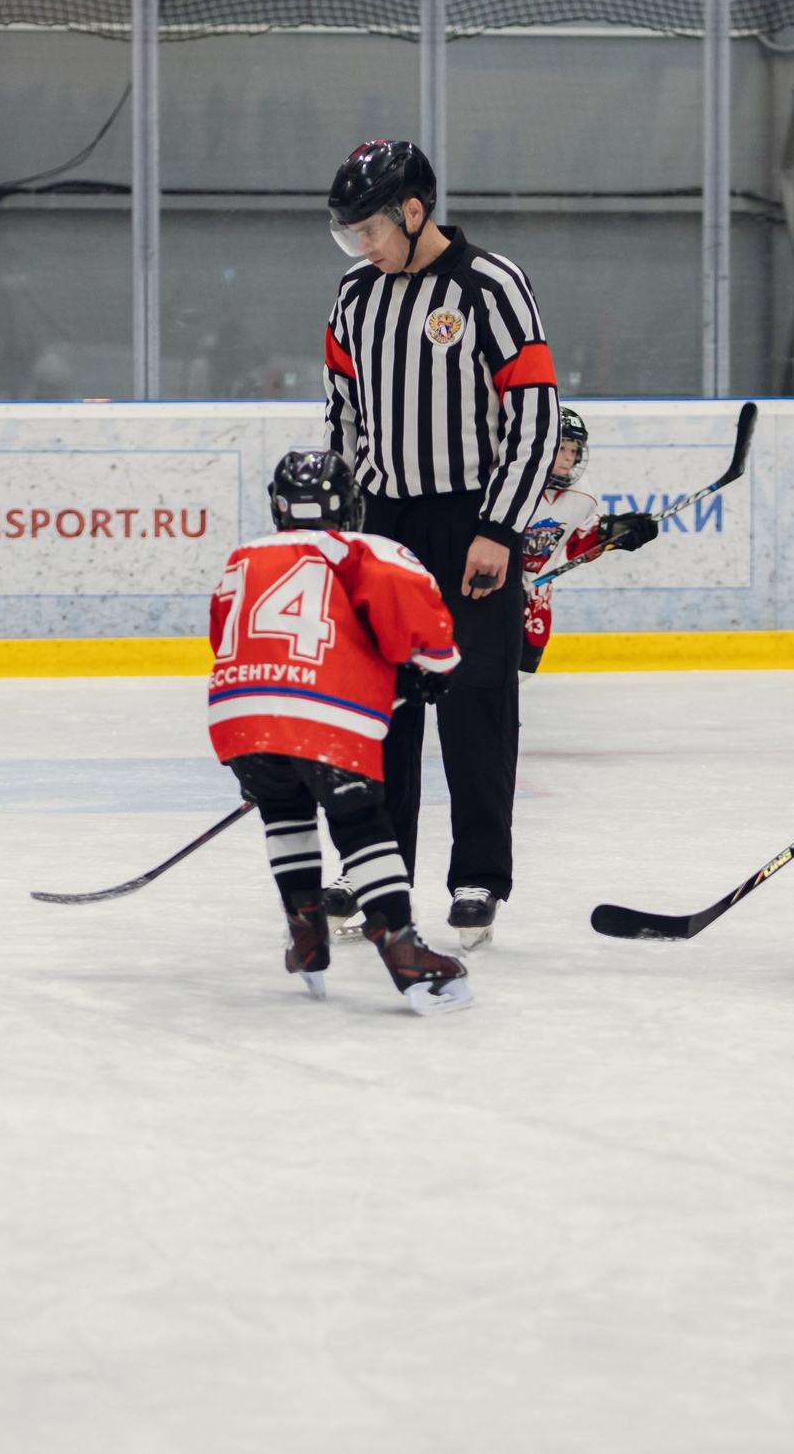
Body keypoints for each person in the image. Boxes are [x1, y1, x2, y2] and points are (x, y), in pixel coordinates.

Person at [321, 139, 560, 949]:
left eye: (369, 230)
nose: (361, 246)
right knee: (378, 705)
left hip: (470, 523)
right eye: (348, 233)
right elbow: (344, 414)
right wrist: (341, 524)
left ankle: (478, 876)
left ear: (413, 211)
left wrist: (500, 527)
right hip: (385, 524)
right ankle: (376, 870)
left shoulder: (490, 284)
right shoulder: (356, 294)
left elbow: (535, 413)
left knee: (476, 700)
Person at [207, 449, 473, 1014]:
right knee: (360, 823)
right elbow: (419, 619)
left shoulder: (242, 555)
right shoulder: (366, 548)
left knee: (286, 813)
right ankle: (402, 948)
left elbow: (223, 633)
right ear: (350, 504)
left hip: (239, 713)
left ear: (279, 507)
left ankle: (306, 933)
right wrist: (435, 666)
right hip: (323, 717)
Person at [518, 406, 660, 677]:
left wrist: (614, 531)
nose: (568, 459)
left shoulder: (584, 495)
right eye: (561, 449)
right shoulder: (513, 484)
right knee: (484, 668)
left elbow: (576, 546)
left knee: (524, 670)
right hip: (494, 590)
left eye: (574, 451)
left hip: (536, 596)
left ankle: (500, 716)